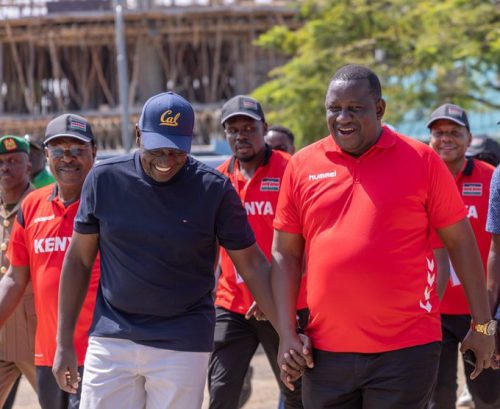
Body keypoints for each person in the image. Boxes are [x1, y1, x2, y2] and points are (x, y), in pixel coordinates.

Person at [271, 64, 496, 409]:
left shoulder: (422, 161)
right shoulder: (302, 166)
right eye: (334, 108)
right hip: (325, 351)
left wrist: (483, 327)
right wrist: (287, 332)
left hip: (406, 350)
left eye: (355, 108)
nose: (342, 118)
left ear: (380, 109)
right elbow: (285, 253)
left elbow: (461, 242)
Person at [52, 92, 279, 409]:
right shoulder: (104, 179)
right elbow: (78, 260)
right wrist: (64, 343)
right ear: (137, 135)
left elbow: (252, 263)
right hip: (113, 336)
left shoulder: (213, 189)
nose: (167, 159)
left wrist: (287, 331)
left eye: (177, 150)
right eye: (157, 148)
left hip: (183, 339)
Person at [208, 95, 305, 409]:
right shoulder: (218, 179)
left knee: (295, 389)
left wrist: (273, 295)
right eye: (233, 129)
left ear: (264, 128)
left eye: (249, 127)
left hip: (285, 304)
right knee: (222, 391)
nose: (241, 135)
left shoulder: (292, 171)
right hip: (232, 304)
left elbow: (309, 241)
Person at [0, 114, 100, 409]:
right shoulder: (31, 206)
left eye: (77, 150)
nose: (67, 158)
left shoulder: (108, 203)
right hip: (48, 354)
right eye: (58, 150)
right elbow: (15, 278)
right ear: (46, 155)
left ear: (94, 151)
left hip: (100, 353)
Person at [426, 103, 500, 409]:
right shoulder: (419, 178)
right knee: (436, 397)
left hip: (480, 308)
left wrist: (488, 322)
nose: (446, 139)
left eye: (455, 132)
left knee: (488, 397)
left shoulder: (491, 177)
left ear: (469, 139)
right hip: (434, 310)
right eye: (438, 132)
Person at [0, 135, 37, 407]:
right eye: (1, 162)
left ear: (29, 166)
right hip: (2, 330)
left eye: (14, 161)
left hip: (34, 333)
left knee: (62, 402)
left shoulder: (41, 207)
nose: (5, 167)